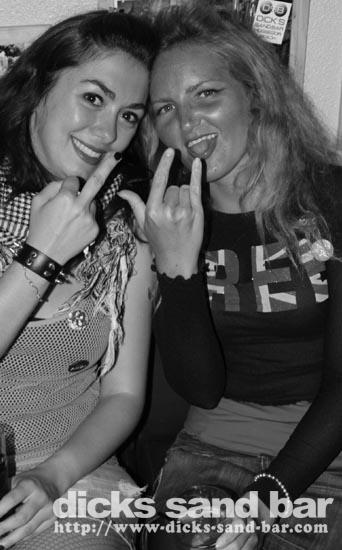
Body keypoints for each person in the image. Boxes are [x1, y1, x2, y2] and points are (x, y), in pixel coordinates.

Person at [0, 9, 157, 550]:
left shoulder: (126, 232)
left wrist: (53, 477)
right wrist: (41, 256)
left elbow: (124, 394)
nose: (108, 133)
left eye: (129, 115)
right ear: (37, 88)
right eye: (93, 98)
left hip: (74, 475)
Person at [119, 2, 342, 549]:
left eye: (206, 94)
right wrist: (176, 267)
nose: (186, 123)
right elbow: (201, 388)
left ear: (255, 94)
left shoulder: (332, 198)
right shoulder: (165, 218)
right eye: (165, 107)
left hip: (326, 455)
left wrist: (266, 499)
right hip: (210, 450)